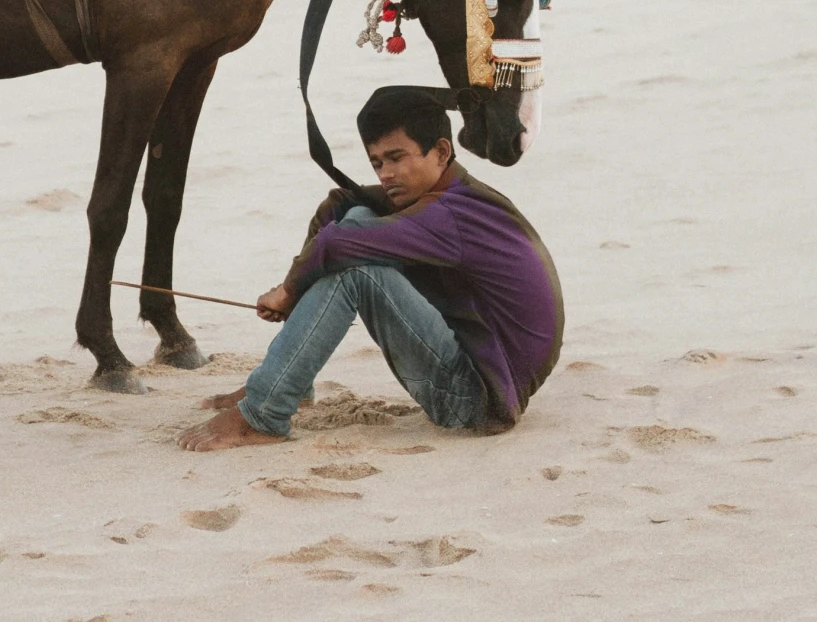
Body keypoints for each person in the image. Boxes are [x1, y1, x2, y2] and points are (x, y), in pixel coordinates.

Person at [179, 84, 563, 450]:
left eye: (397, 158)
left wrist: (288, 291)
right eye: (377, 162)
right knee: (355, 214)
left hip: (478, 400)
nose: (385, 174)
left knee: (357, 271)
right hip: (474, 366)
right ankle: (290, 378)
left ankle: (262, 416)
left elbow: (338, 244)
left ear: (442, 151)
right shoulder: (447, 193)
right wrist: (297, 299)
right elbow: (339, 205)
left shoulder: (452, 214)